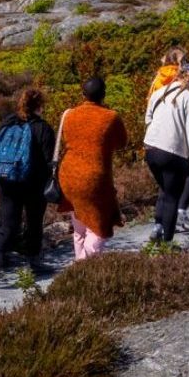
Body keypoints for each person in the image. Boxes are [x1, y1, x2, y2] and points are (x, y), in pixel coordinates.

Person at [0, 87, 54, 285]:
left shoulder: (8, 121)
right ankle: (33, 261)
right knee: (33, 222)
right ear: (40, 106)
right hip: (32, 183)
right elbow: (49, 160)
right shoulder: (42, 128)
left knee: (8, 224)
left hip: (6, 180)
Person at [56, 76, 127, 260]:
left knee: (79, 228)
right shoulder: (111, 117)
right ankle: (81, 267)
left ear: (83, 94)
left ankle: (79, 276)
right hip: (94, 178)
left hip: (69, 175)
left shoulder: (69, 114)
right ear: (104, 95)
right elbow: (122, 142)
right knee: (99, 228)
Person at [143, 65, 189, 242]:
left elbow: (148, 118)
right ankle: (167, 243)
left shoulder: (158, 93)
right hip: (171, 151)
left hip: (150, 149)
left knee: (165, 188)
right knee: (172, 197)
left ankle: (157, 227)